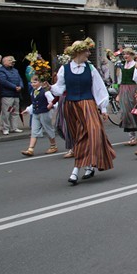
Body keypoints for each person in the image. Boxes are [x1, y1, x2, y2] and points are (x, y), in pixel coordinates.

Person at [49, 38, 115, 185]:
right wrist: (50, 87)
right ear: (79, 52)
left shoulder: (90, 68)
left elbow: (99, 89)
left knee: (94, 131)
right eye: (87, 51)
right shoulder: (64, 69)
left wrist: (103, 108)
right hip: (71, 106)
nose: (89, 53)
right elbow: (60, 89)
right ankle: (88, 165)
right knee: (79, 136)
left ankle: (76, 169)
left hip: (88, 104)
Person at [21, 75, 57, 156]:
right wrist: (27, 110)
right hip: (36, 113)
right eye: (32, 82)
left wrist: (51, 105)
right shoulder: (33, 92)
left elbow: (53, 101)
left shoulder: (45, 92)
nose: (33, 84)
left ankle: (53, 145)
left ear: (40, 83)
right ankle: (30, 149)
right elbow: (34, 103)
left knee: (48, 129)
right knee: (34, 130)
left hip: (45, 113)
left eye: (35, 82)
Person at [118, 48, 137, 146]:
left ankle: (134, 135)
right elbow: (120, 79)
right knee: (125, 112)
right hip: (123, 89)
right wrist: (118, 93)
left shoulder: (135, 65)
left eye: (127, 54)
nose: (126, 56)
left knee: (133, 111)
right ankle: (132, 136)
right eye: (124, 54)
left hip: (132, 89)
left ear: (132, 55)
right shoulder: (123, 65)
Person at [0, 56, 23, 135]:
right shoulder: (0, 71)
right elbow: (3, 81)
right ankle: (5, 128)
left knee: (15, 112)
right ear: (4, 62)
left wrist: (21, 86)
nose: (12, 62)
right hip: (7, 94)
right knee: (6, 112)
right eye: (10, 61)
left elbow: (20, 79)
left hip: (16, 94)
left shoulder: (15, 70)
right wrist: (15, 87)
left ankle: (14, 127)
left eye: (13, 61)